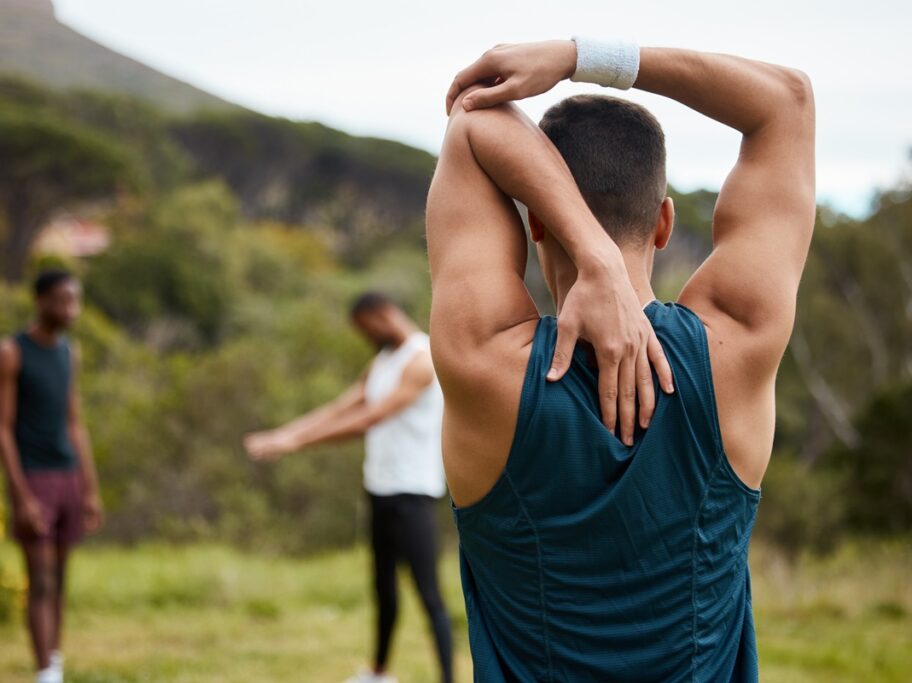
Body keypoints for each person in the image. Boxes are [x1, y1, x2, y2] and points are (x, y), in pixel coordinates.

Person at [427, 38, 814, 681]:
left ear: (537, 224)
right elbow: (787, 103)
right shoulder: (738, 343)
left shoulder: (484, 361)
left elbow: (472, 120)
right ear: (664, 223)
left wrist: (591, 250)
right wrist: (583, 57)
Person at [244, 292, 453, 683]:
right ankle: (378, 673)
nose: (364, 337)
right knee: (383, 589)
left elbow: (368, 418)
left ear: (381, 315)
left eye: (364, 328)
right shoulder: (383, 360)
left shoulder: (422, 359)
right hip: (380, 488)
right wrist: (284, 434)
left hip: (414, 492)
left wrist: (297, 443)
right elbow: (344, 406)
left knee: (429, 595)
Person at [0, 270, 104, 683]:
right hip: (33, 476)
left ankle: (54, 664)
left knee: (60, 581)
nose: (71, 309)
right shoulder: (11, 352)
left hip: (66, 474)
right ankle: (44, 673)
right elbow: (0, 429)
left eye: (75, 300)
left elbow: (75, 423)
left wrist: (89, 489)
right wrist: (20, 495)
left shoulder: (69, 353)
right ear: (40, 302)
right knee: (39, 579)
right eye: (62, 300)